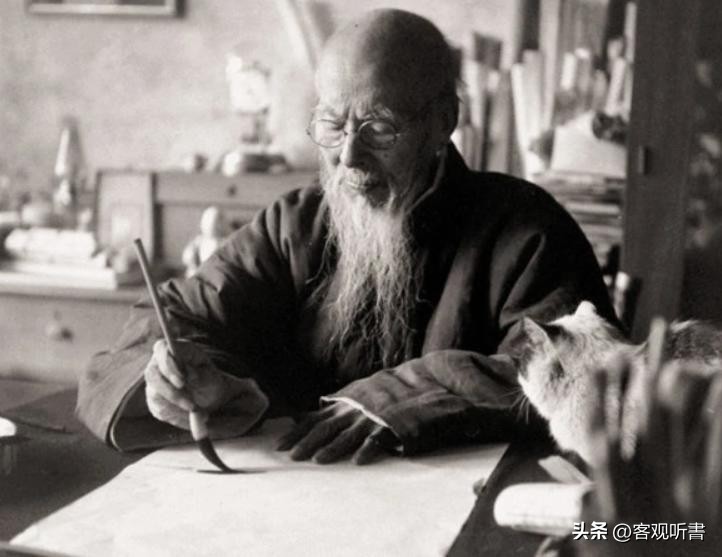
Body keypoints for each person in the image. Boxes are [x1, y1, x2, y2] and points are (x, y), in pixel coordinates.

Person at [77, 9, 617, 464]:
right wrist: (189, 375)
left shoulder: (527, 232)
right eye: (333, 126)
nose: (349, 157)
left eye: (378, 128)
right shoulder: (294, 225)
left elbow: (583, 374)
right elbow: (171, 317)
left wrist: (402, 397)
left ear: (442, 122)